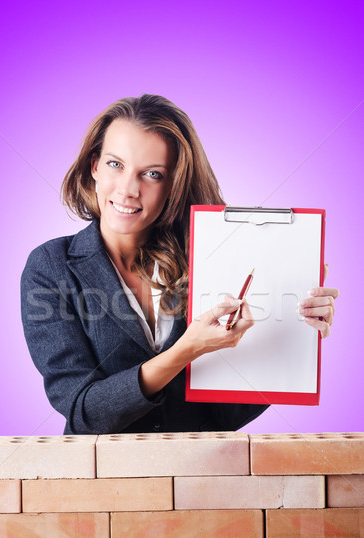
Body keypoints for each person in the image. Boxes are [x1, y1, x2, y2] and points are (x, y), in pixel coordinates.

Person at [21, 94, 339, 435]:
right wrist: (187, 350)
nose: (128, 189)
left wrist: (294, 332)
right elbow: (85, 413)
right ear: (94, 165)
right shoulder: (52, 267)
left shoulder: (205, 260)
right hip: (100, 479)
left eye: (152, 174)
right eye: (116, 164)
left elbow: (223, 417)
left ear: (173, 183)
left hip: (200, 476)